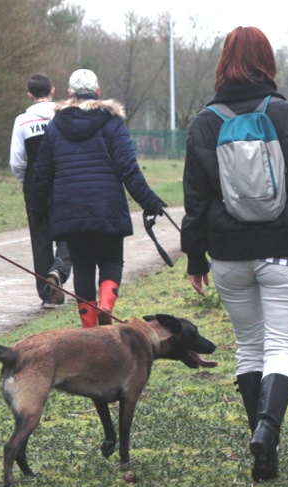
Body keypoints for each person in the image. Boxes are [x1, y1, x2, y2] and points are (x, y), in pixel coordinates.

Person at [181, 27, 288, 483]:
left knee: (249, 348)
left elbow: (195, 200)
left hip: (228, 254)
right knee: (281, 346)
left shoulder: (204, 123)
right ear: (268, 62)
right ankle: (268, 429)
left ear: (224, 63)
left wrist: (194, 258)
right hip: (286, 251)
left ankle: (264, 450)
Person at [27, 68, 168, 328]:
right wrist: (150, 201)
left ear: (69, 94)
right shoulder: (112, 123)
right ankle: (106, 304)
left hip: (71, 212)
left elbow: (42, 174)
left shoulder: (55, 126)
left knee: (82, 267)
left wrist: (37, 210)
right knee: (112, 260)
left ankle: (91, 329)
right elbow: (128, 168)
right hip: (107, 208)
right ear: (98, 92)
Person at [9, 72, 71, 308]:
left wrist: (26, 180)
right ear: (53, 91)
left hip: (35, 183)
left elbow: (16, 160)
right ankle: (59, 269)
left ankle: (47, 293)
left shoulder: (22, 121)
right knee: (69, 233)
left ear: (30, 94)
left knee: (41, 238)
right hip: (63, 180)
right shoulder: (64, 116)